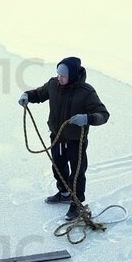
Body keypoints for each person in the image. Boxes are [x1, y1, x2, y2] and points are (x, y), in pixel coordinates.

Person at [18, 57, 109, 220]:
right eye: (58, 74)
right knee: (58, 167)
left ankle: (77, 203)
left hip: (76, 141)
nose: (59, 78)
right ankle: (64, 193)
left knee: (77, 173)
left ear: (72, 76)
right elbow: (39, 93)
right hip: (57, 137)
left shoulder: (86, 92)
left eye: (63, 75)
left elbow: (103, 115)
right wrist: (27, 95)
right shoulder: (53, 84)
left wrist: (87, 118)